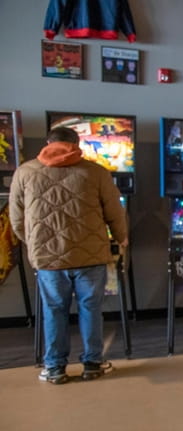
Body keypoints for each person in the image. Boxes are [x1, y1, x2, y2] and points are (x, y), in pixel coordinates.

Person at [9, 126, 128, 385]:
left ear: (48, 143)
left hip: (48, 259)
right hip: (91, 256)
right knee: (91, 309)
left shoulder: (25, 172)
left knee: (54, 310)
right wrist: (121, 237)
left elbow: (16, 218)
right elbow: (115, 212)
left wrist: (33, 243)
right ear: (76, 144)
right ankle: (93, 364)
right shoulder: (96, 172)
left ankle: (55, 368)